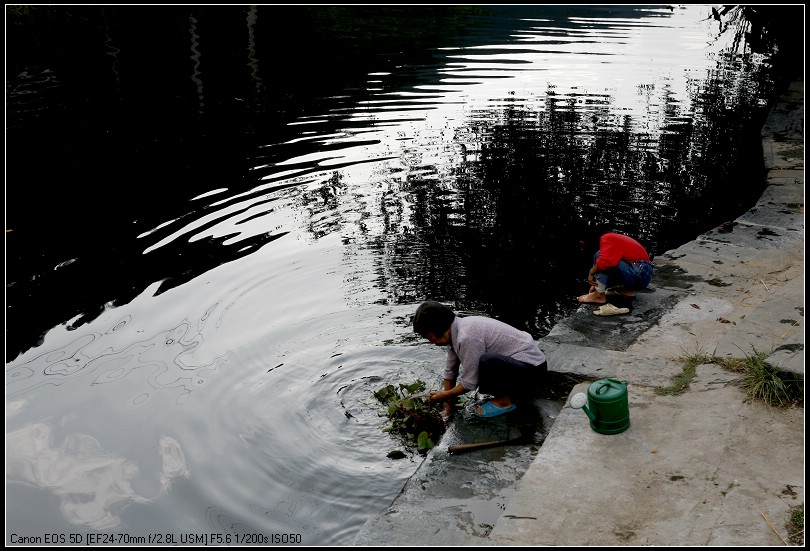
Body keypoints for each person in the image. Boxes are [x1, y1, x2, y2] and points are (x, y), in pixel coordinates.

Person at [412, 301, 547, 419]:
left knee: (488, 362)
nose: (429, 341)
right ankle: (506, 395)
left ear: (436, 328)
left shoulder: (466, 337)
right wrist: (447, 403)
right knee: (483, 368)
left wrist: (445, 394)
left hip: (533, 371)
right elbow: (450, 371)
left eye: (427, 336)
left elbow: (470, 383)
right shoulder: (456, 332)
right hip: (520, 368)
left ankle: (503, 401)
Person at [576, 222, 654, 306]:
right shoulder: (613, 238)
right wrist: (597, 284)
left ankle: (598, 296)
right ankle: (628, 290)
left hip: (639, 272)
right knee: (604, 259)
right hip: (643, 275)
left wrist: (591, 273)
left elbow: (606, 261)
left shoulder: (606, 238)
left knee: (600, 256)